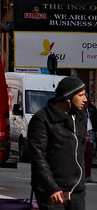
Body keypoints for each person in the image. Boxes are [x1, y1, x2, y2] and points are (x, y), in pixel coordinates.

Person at [29, 76, 89, 210]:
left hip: (77, 192)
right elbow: (38, 157)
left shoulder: (80, 119)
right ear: (68, 97)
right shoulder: (42, 119)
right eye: (81, 95)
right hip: (53, 192)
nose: (85, 99)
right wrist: (51, 187)